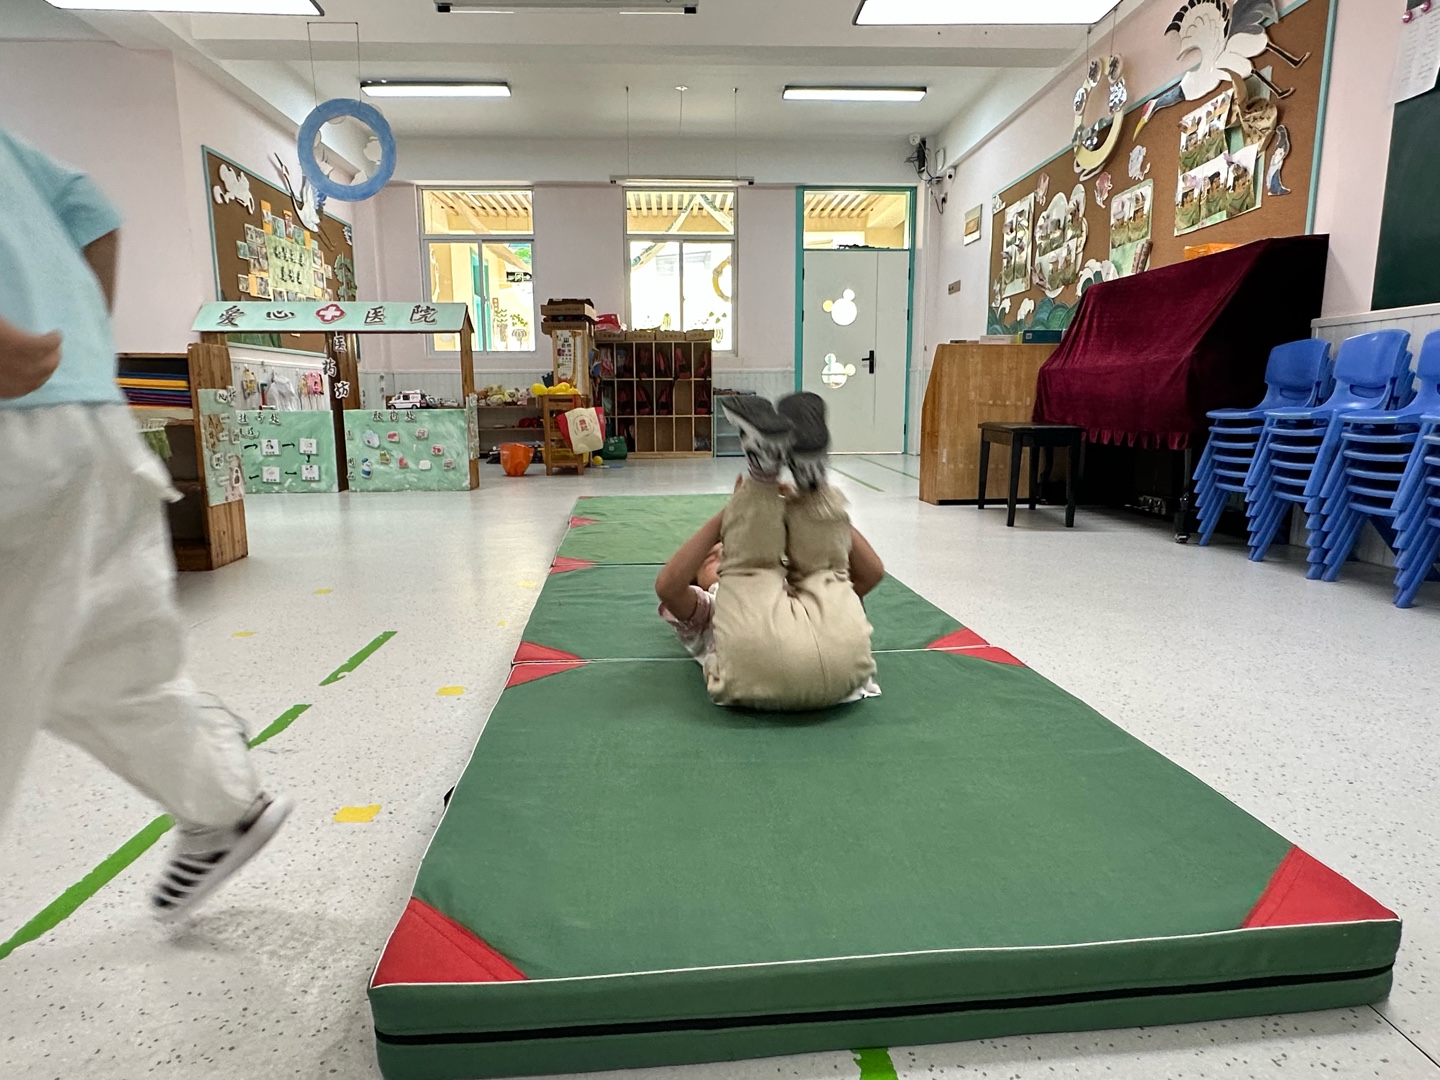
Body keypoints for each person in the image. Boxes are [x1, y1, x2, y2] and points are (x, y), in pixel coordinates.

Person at [0, 125, 290, 919]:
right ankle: (220, 802)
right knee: (100, 657)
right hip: (88, 418)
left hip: (18, 432)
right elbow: (91, 211)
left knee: (87, 654)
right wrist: (81, 353)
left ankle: (220, 802)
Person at [655, 391, 884, 711]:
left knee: (817, 569)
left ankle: (788, 473)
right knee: (819, 569)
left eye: (721, 549)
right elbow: (669, 587)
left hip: (796, 666)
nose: (719, 553)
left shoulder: (794, 589)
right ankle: (799, 478)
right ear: (698, 584)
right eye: (712, 559)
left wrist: (800, 502)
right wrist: (732, 515)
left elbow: (873, 572)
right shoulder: (706, 610)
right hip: (845, 672)